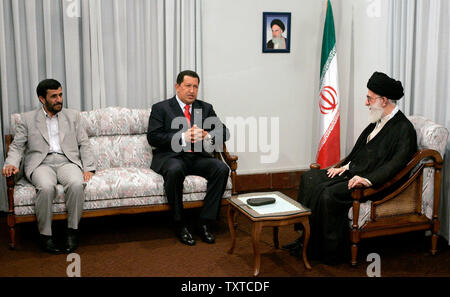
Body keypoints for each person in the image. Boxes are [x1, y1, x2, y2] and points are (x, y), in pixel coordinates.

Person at [283, 71, 417, 264]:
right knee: (310, 178)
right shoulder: (378, 120)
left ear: (384, 100)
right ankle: (306, 238)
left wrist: (368, 180)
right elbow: (361, 152)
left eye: (369, 98)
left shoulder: (404, 129)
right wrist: (345, 166)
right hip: (353, 173)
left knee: (327, 194)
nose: (366, 103)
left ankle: (327, 251)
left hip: (375, 184)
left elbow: (396, 165)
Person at [2, 79, 95, 254]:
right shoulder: (27, 119)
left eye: (60, 95)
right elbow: (17, 146)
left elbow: (84, 143)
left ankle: (72, 232)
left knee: (76, 184)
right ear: (42, 99)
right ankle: (45, 235)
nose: (59, 99)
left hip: (67, 161)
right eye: (54, 96)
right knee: (45, 187)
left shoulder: (73, 116)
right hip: (41, 164)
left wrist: (88, 168)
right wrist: (11, 164)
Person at [147, 70, 230, 246]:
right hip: (172, 157)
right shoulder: (161, 108)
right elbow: (153, 137)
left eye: (195, 87)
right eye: (188, 86)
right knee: (175, 169)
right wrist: (182, 137)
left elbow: (224, 131)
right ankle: (179, 223)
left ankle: (204, 222)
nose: (192, 91)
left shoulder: (205, 108)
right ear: (177, 87)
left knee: (222, 168)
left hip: (197, 157)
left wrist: (207, 135)